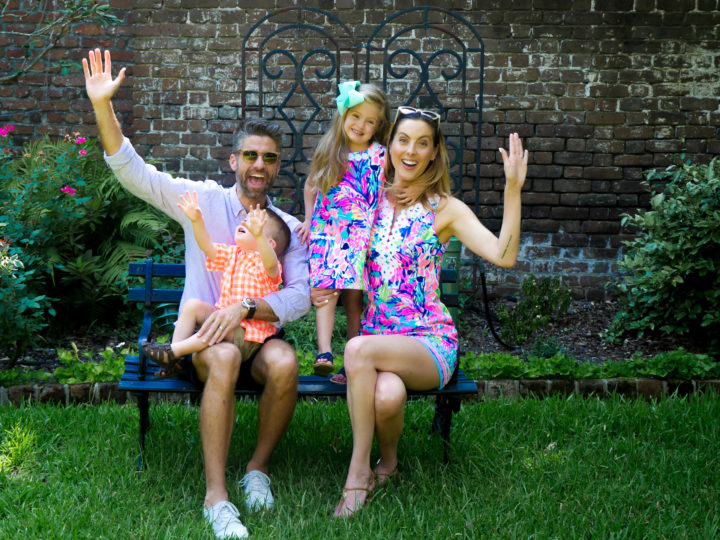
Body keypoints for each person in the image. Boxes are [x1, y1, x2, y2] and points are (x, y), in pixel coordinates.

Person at [83, 49, 311, 539]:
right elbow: (134, 174)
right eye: (250, 154)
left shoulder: (288, 228)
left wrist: (246, 307)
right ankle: (217, 496)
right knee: (225, 359)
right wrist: (103, 106)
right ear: (234, 160)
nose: (259, 165)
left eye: (269, 158)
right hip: (210, 344)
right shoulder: (203, 200)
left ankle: (256, 471)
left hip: (258, 332)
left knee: (287, 363)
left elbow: (300, 296)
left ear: (277, 168)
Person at [332, 106, 528, 517]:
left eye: (423, 143)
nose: (411, 151)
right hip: (378, 340)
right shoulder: (369, 200)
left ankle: (357, 475)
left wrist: (513, 189)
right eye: (403, 140)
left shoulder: (445, 209)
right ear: (387, 147)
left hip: (427, 342)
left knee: (356, 351)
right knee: (386, 396)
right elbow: (327, 213)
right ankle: (389, 464)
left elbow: (503, 255)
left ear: (435, 153)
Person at [297, 81, 390, 380]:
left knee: (355, 298)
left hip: (364, 236)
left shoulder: (381, 155)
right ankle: (324, 352)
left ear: (378, 126)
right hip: (329, 233)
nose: (361, 125)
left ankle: (354, 355)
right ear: (343, 115)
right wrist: (309, 221)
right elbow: (311, 185)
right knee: (326, 291)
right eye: (356, 116)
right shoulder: (331, 150)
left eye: (370, 121)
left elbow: (388, 189)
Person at [141, 192, 291, 370]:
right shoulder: (234, 254)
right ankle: (176, 363)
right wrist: (197, 222)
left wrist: (258, 237)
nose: (245, 223)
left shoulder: (267, 265)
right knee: (193, 306)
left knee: (219, 323)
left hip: (249, 337)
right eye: (246, 220)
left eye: (254, 224)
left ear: (270, 243)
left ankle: (173, 352)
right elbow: (208, 247)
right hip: (225, 320)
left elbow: (271, 264)